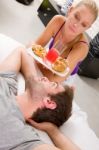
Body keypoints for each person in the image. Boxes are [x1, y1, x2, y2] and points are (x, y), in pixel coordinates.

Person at [0, 46, 74, 150]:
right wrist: (34, 81)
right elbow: (21, 52)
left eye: (52, 84)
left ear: (49, 102)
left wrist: (53, 131)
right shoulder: (9, 84)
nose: (45, 78)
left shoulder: (20, 134)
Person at [27, 0, 98, 83]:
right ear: (70, 10)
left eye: (83, 24)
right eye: (76, 17)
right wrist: (39, 59)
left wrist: (39, 61)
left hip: (63, 80)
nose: (76, 25)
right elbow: (34, 47)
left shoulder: (82, 47)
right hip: (48, 62)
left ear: (87, 28)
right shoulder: (58, 21)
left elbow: (55, 80)